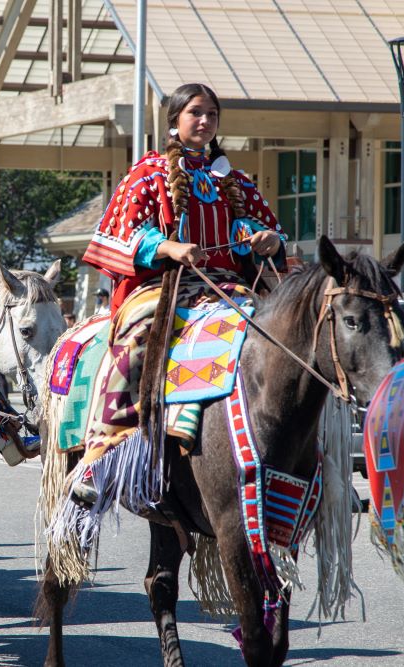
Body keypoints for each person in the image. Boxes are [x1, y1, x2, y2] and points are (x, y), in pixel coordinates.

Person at [70, 83, 285, 506]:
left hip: (228, 288)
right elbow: (120, 232)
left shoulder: (234, 180)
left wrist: (268, 240)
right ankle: (101, 453)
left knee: (277, 338)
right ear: (175, 120)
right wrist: (168, 247)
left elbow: (268, 231)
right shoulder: (148, 172)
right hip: (163, 285)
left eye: (211, 115)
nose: (205, 121)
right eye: (195, 113)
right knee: (137, 342)